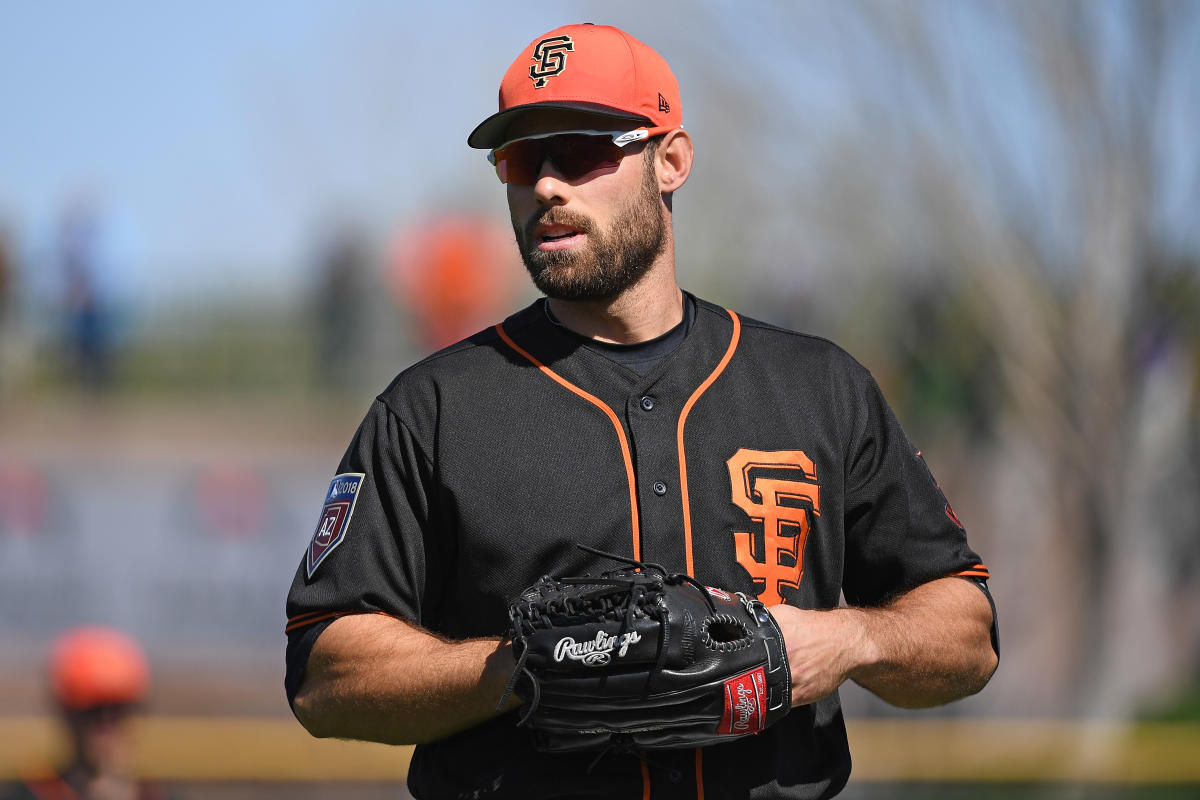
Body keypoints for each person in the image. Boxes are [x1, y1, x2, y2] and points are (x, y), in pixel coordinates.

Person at [285, 23, 998, 799]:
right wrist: (522, 666)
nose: (549, 185)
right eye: (523, 158)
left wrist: (847, 639)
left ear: (672, 161)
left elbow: (967, 629)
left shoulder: (818, 388)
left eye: (584, 149)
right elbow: (324, 672)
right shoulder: (432, 410)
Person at [1, 626, 171, 800]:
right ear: (66, 714)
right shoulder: (31, 793)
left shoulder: (157, 795)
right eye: (94, 712)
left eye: (118, 710)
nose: (106, 725)